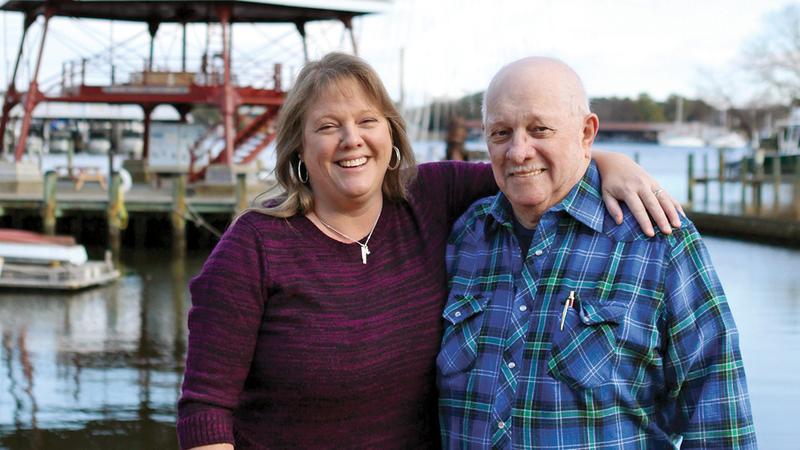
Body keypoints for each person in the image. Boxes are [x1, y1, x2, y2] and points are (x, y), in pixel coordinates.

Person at [177, 52, 683, 450]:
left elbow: (529, 167)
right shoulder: (253, 247)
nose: (352, 140)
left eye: (367, 121)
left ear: (391, 134)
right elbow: (205, 410)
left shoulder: (428, 199)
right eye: (328, 126)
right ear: (299, 149)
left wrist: (607, 162)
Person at [437, 56, 756, 449]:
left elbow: (718, 413)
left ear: (586, 133)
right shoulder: (466, 236)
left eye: (540, 130)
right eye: (501, 133)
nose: (519, 151)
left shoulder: (657, 241)